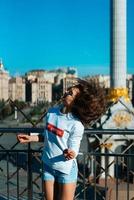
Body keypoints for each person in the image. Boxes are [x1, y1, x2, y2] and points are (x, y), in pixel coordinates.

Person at [17, 79, 107, 200]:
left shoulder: (76, 124)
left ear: (76, 102)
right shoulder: (51, 113)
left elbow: (74, 149)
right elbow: (47, 136)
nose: (65, 92)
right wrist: (30, 138)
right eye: (68, 90)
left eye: (70, 93)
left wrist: (70, 153)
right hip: (48, 165)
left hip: (66, 169)